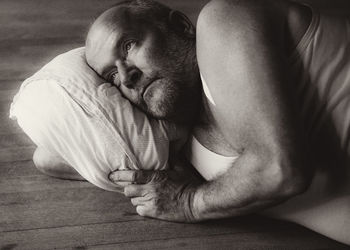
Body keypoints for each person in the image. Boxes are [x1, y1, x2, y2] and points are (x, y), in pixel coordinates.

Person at [39, 0, 350, 244]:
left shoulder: (224, 20)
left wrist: (190, 202)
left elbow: (281, 170)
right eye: (110, 76)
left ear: (180, 26)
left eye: (129, 45)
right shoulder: (178, 147)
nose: (126, 75)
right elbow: (48, 158)